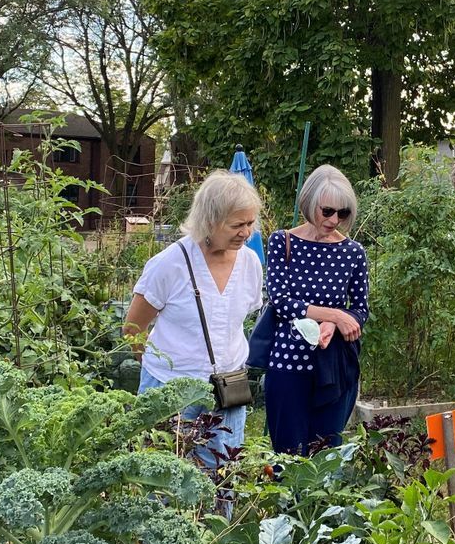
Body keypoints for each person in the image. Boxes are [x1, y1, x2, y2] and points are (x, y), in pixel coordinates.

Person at [123, 170, 263, 474]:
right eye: (237, 225)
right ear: (210, 221)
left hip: (228, 390)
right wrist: (160, 371)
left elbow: (235, 321)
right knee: (161, 478)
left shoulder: (251, 263)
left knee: (222, 476)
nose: (246, 233)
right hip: (171, 391)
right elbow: (133, 329)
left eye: (250, 223)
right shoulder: (169, 264)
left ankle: (220, 523)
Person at [261, 164, 369, 455]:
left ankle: (322, 504)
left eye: (343, 213)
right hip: (288, 364)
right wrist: (333, 314)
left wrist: (335, 325)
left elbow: (360, 309)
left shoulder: (353, 252)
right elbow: (280, 300)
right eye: (327, 211)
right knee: (288, 453)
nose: (335, 220)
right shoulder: (282, 242)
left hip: (334, 367)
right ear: (309, 203)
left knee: (327, 454)